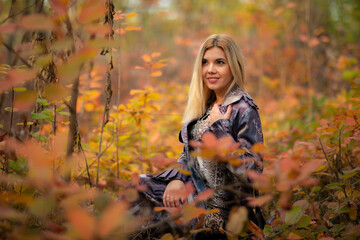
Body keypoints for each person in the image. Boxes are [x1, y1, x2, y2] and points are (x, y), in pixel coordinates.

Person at [130, 34, 264, 239]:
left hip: (221, 209)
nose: (210, 70)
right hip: (193, 191)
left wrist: (221, 129)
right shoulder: (207, 105)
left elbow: (251, 174)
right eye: (205, 62)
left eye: (220, 62)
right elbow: (189, 153)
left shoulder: (244, 108)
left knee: (149, 216)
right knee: (138, 186)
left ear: (234, 66)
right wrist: (177, 179)